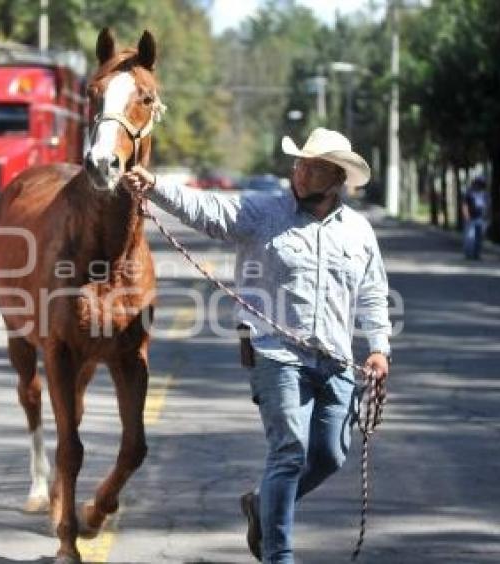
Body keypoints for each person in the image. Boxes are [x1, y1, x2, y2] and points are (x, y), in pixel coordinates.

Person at [123, 128, 391, 563]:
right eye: (299, 164)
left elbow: (372, 292)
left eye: (313, 168)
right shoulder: (262, 212)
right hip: (276, 352)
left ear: (337, 177)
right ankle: (277, 554)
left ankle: (261, 503)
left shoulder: (358, 232)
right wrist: (155, 187)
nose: (300, 174)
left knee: (329, 455)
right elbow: (206, 208)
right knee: (290, 450)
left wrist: (378, 347)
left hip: (337, 360)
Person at [461, 176, 488, 260]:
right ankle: (468, 254)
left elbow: (486, 206)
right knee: (470, 238)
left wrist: (486, 217)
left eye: (482, 184)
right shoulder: (469, 193)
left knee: (479, 238)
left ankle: (477, 254)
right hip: (471, 218)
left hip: (481, 218)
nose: (480, 186)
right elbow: (465, 205)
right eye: (479, 183)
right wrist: (466, 216)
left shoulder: (484, 194)